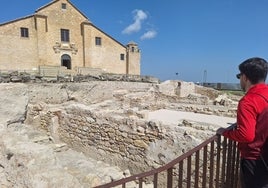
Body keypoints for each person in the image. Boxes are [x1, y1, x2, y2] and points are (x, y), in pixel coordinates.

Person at [217, 57, 268, 188]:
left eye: (239, 76)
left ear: (245, 77)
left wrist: (226, 132)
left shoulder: (248, 101)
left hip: (255, 160)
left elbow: (246, 135)